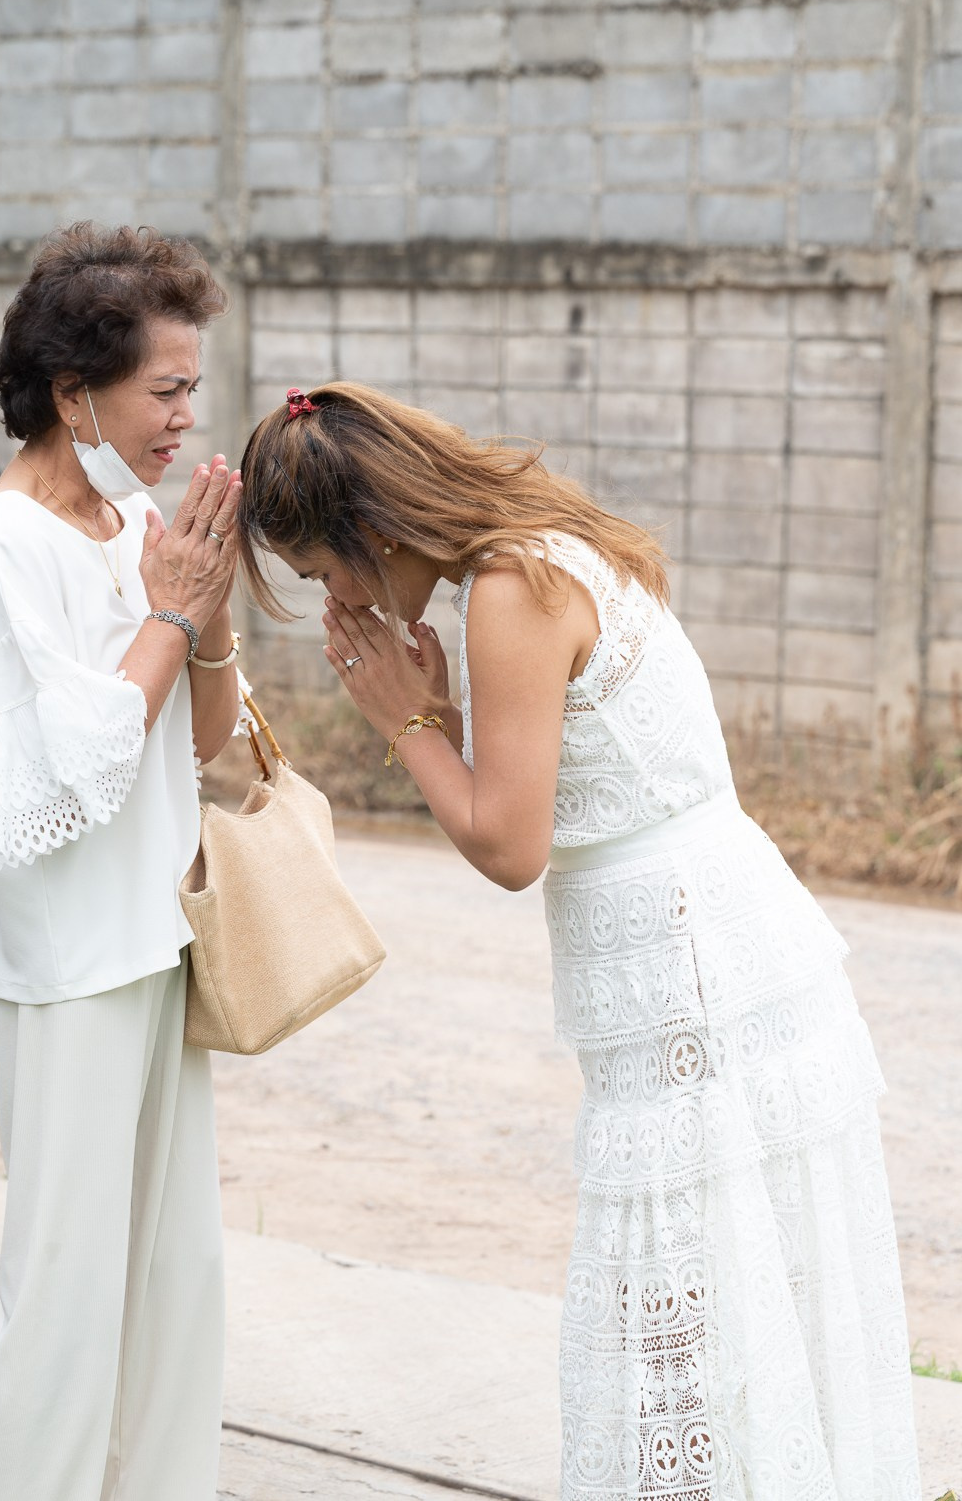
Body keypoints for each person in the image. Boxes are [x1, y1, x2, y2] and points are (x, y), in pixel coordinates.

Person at [235, 381, 921, 1501]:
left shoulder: (511, 588)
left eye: (322, 571)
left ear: (378, 529)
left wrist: (401, 721)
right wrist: (445, 722)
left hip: (689, 985)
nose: (334, 602)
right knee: (738, 1318)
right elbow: (571, 786)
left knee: (683, 1329)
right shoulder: (541, 547)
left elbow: (509, 845)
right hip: (719, 959)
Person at [0, 223, 244, 1501]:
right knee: (61, 1296)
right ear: (75, 394)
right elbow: (66, 783)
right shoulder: (3, 543)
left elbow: (207, 738)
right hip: (70, 969)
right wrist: (168, 610)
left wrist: (205, 611)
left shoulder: (136, 521)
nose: (187, 414)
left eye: (190, 387)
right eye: (165, 389)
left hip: (159, 942)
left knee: (175, 1280)